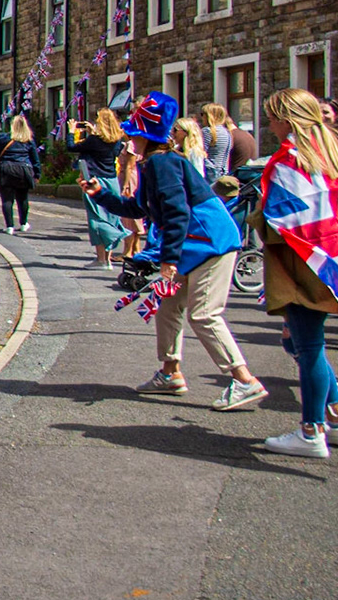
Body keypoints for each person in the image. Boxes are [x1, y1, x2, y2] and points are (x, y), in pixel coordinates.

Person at [82, 91, 267, 410]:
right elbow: (137, 207)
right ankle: (170, 373)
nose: (127, 134)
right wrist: (100, 194)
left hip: (211, 243)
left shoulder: (163, 164)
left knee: (204, 314)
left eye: (132, 130)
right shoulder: (156, 163)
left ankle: (244, 380)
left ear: (142, 135)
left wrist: (166, 260)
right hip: (195, 242)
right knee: (167, 305)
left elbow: (179, 213)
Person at [253, 87, 338, 458]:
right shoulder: (337, 154)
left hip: (301, 264)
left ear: (286, 119)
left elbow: (280, 219)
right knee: (301, 343)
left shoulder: (290, 159)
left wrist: (255, 217)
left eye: (272, 117)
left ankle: (311, 431)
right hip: (335, 260)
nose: (269, 125)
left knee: (308, 346)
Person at [70, 109, 127, 268]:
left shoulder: (94, 140)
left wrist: (70, 131)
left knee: (96, 218)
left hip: (96, 181)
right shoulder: (117, 140)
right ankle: (107, 259)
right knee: (111, 217)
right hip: (112, 180)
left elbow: (72, 147)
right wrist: (92, 132)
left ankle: (101, 259)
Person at [0, 114, 41, 234]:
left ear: (12, 126)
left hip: (6, 169)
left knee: (7, 199)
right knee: (23, 198)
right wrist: (37, 174)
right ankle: (23, 224)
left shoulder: (3, 138)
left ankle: (9, 226)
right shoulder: (29, 141)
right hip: (23, 170)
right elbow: (35, 159)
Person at [199, 103, 235, 180]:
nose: (201, 118)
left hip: (209, 173)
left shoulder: (207, 131)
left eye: (202, 114)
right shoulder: (227, 132)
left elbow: (199, 154)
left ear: (208, 116)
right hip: (223, 172)